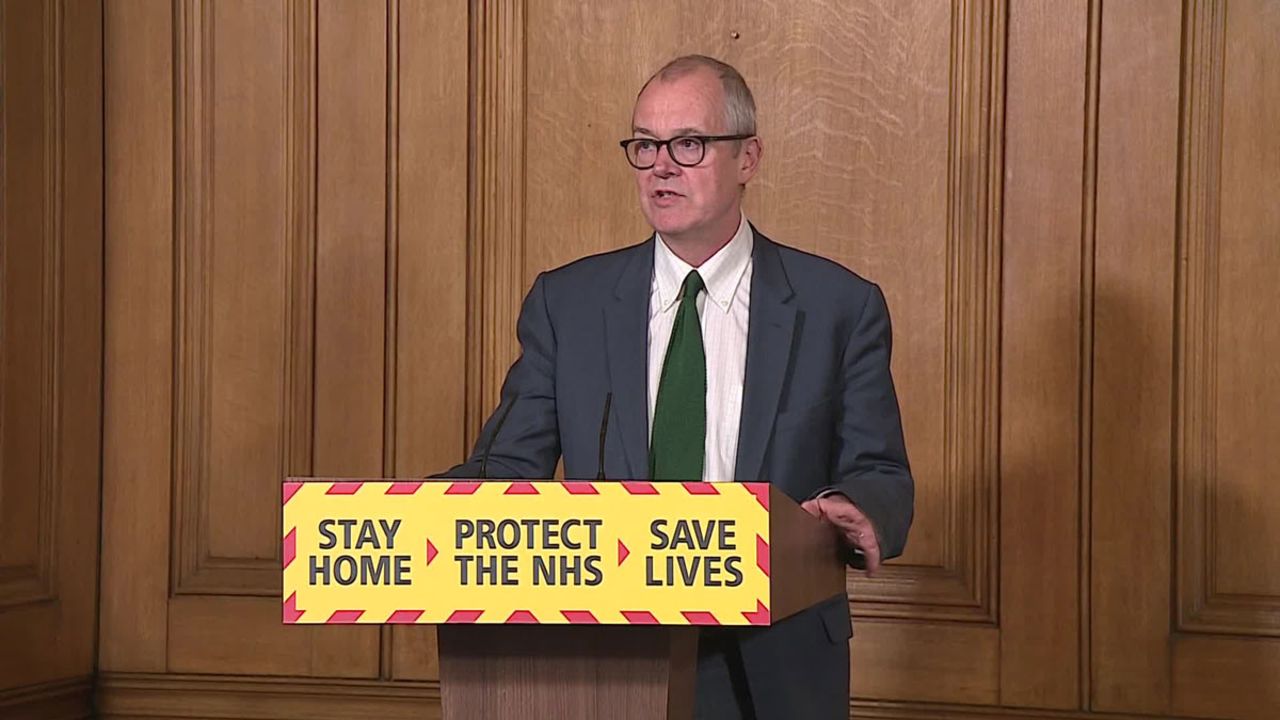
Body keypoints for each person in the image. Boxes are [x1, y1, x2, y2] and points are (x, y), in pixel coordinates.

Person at [438, 54, 913, 720]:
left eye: (688, 144)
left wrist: (855, 507)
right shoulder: (567, 304)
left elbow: (880, 472)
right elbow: (506, 464)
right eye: (645, 144)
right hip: (603, 661)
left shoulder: (839, 306)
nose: (661, 165)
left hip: (775, 662)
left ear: (748, 158)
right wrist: (424, 513)